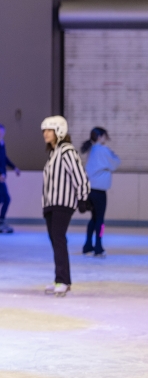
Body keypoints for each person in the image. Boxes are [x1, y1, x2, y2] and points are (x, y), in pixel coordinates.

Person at [41, 116, 91, 297]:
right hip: (51, 205)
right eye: (44, 130)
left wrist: (83, 197)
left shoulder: (66, 151)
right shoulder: (53, 153)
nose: (45, 133)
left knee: (58, 239)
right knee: (56, 241)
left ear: (59, 131)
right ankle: (60, 279)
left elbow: (80, 175)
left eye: (49, 130)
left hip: (62, 204)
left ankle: (63, 280)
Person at [81, 127, 120, 257]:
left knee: (93, 218)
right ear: (99, 137)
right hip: (99, 191)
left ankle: (87, 245)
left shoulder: (91, 150)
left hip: (89, 189)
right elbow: (115, 164)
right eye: (104, 136)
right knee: (100, 221)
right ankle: (98, 246)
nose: (106, 138)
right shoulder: (104, 150)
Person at [0, 124, 20, 233]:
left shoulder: (1, 144)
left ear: (3, 133)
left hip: (0, 174)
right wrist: (0, 173)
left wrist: (14, 167)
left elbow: (4, 158)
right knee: (6, 198)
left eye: (1, 133)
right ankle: (0, 222)